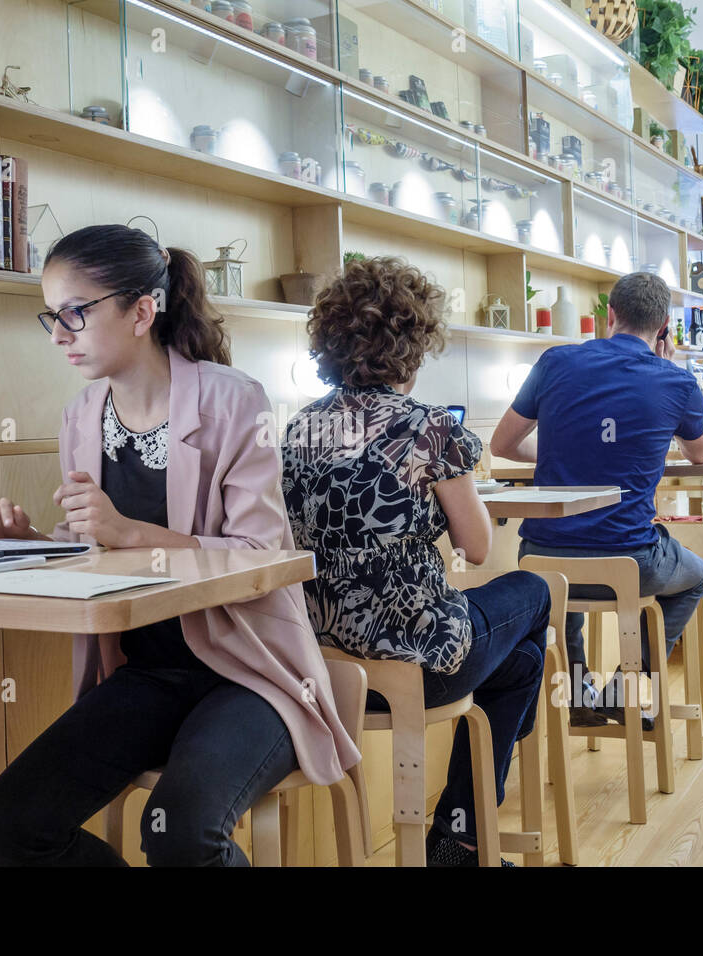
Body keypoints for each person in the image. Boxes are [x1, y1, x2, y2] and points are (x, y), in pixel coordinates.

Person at [0, 224, 361, 866]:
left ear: (141, 311)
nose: (59, 334)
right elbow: (91, 551)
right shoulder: (81, 415)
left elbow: (264, 555)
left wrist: (132, 533)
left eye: (75, 313)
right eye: (52, 316)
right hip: (146, 674)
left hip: (249, 673)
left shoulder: (235, 400)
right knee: (10, 824)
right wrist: (27, 544)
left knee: (177, 832)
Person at [281, 255, 550, 867]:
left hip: (319, 664)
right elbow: (477, 548)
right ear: (414, 343)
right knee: (533, 592)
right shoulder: (429, 429)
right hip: (418, 659)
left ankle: (461, 834)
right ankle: (460, 836)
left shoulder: (298, 428)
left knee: (522, 661)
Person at [491, 272, 703, 729]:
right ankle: (619, 690)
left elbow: (502, 445)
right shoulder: (675, 379)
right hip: (631, 562)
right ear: (664, 327)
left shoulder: (555, 362)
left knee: (563, 588)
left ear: (608, 316)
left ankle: (578, 695)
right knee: (696, 575)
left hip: (539, 558)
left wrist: (564, 454)